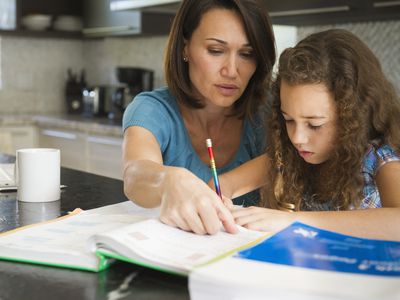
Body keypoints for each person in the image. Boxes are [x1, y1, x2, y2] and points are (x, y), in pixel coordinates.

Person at [220, 29, 400, 240]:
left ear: (354, 116)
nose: (297, 138)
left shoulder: (380, 159)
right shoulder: (292, 155)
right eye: (289, 120)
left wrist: (294, 221)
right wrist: (218, 198)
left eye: (314, 125)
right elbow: (224, 184)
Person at [122, 0, 276, 235]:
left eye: (247, 54)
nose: (231, 71)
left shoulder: (269, 112)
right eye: (216, 50)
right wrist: (169, 180)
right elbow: (134, 175)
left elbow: (292, 165)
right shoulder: (152, 109)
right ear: (185, 48)